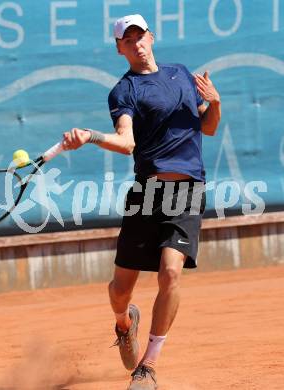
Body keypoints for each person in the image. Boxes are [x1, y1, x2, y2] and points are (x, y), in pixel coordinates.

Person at [62, 14, 221, 390]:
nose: (136, 44)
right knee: (120, 289)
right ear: (119, 48)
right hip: (147, 192)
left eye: (140, 36)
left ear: (151, 36)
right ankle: (123, 323)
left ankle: (147, 366)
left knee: (170, 273)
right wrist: (90, 136)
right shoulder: (124, 91)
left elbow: (208, 127)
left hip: (187, 190)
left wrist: (214, 102)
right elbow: (126, 142)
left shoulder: (181, 74)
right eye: (127, 40)